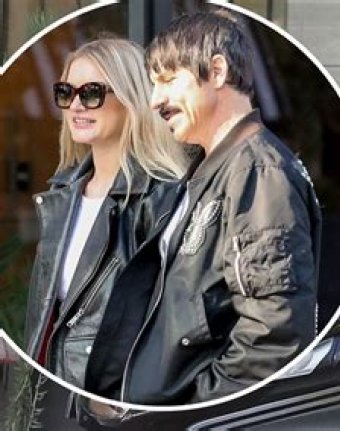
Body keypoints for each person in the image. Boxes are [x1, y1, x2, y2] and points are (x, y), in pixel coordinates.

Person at [84, 10, 321, 405]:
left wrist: (193, 405)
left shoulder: (257, 172)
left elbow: (274, 337)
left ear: (217, 71)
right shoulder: (215, 167)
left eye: (167, 80)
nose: (155, 100)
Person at [24, 37, 187, 389]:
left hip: (112, 399)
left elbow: (174, 326)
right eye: (66, 92)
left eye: (92, 93)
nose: (76, 105)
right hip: (49, 395)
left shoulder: (163, 198)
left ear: (131, 99)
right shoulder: (62, 196)